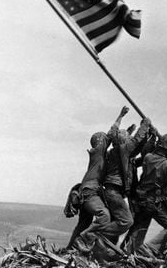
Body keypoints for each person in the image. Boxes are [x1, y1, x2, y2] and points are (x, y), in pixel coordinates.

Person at [66, 106, 129, 251]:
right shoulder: (98, 151)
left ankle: (70, 249)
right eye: (104, 140)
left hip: (88, 191)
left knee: (83, 224)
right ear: (100, 142)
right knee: (104, 215)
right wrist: (120, 116)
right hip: (90, 192)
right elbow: (111, 133)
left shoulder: (99, 155)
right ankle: (83, 241)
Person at [97, 113, 152, 244]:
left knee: (118, 220)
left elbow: (137, 149)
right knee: (126, 221)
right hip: (113, 191)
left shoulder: (118, 153)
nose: (130, 140)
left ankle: (105, 246)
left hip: (113, 191)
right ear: (123, 141)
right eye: (128, 139)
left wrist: (150, 137)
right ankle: (93, 235)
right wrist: (145, 125)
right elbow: (136, 141)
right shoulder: (122, 149)